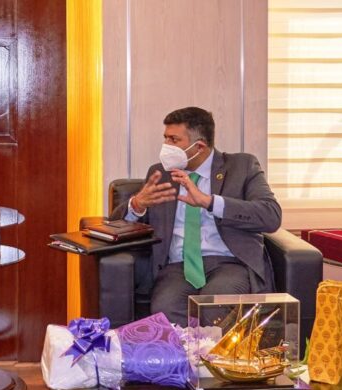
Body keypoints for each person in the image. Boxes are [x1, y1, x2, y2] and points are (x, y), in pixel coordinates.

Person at [113, 107, 281, 325]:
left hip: (229, 263)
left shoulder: (242, 167)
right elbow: (116, 226)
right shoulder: (161, 173)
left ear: (199, 146)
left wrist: (209, 202)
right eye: (165, 138)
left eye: (174, 140)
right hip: (177, 266)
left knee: (214, 308)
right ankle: (184, 350)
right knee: (165, 309)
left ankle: (214, 349)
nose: (166, 146)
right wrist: (137, 205)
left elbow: (271, 216)